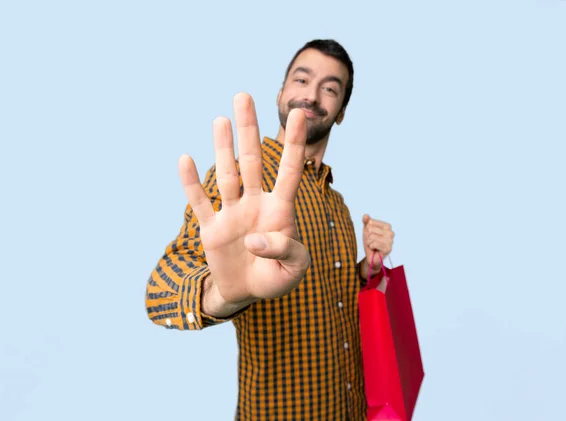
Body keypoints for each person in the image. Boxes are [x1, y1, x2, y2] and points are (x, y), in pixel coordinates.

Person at [145, 39, 395, 421]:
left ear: (341, 111)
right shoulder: (244, 183)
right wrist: (220, 296)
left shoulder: (338, 205)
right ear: (280, 93)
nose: (311, 96)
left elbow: (335, 306)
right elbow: (161, 292)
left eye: (330, 88)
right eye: (301, 80)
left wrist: (365, 274)